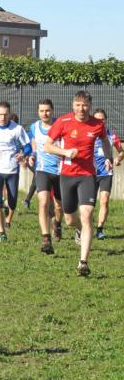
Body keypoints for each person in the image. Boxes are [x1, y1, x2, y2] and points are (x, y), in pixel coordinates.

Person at [44, 91, 112, 276]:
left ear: (89, 106)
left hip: (87, 175)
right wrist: (66, 153)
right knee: (70, 220)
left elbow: (106, 141)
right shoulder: (63, 122)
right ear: (73, 105)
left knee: (87, 213)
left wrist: (108, 157)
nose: (81, 109)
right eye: (78, 105)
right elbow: (47, 145)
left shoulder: (97, 124)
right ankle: (81, 229)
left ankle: (83, 263)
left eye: (84, 105)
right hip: (67, 175)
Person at [0, 102, 31, 241]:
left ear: (9, 114)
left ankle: (8, 208)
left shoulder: (17, 129)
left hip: (12, 170)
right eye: (0, 114)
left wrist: (23, 155)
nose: (3, 117)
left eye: (5, 114)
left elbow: (28, 147)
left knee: (13, 202)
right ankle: (2, 233)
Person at [27, 99, 63, 254]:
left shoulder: (60, 125)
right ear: (38, 112)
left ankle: (58, 225)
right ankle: (46, 239)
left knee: (58, 206)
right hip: (42, 170)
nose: (44, 113)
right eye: (41, 111)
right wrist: (32, 155)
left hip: (60, 170)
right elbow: (34, 143)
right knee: (43, 202)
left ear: (52, 111)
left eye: (47, 110)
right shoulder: (34, 127)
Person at [92, 109, 123, 240]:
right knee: (89, 205)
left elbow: (121, 151)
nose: (100, 122)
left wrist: (117, 159)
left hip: (106, 173)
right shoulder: (89, 135)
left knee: (104, 201)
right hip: (90, 173)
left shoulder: (112, 136)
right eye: (97, 119)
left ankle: (99, 229)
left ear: (105, 121)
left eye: (102, 119)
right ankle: (83, 228)